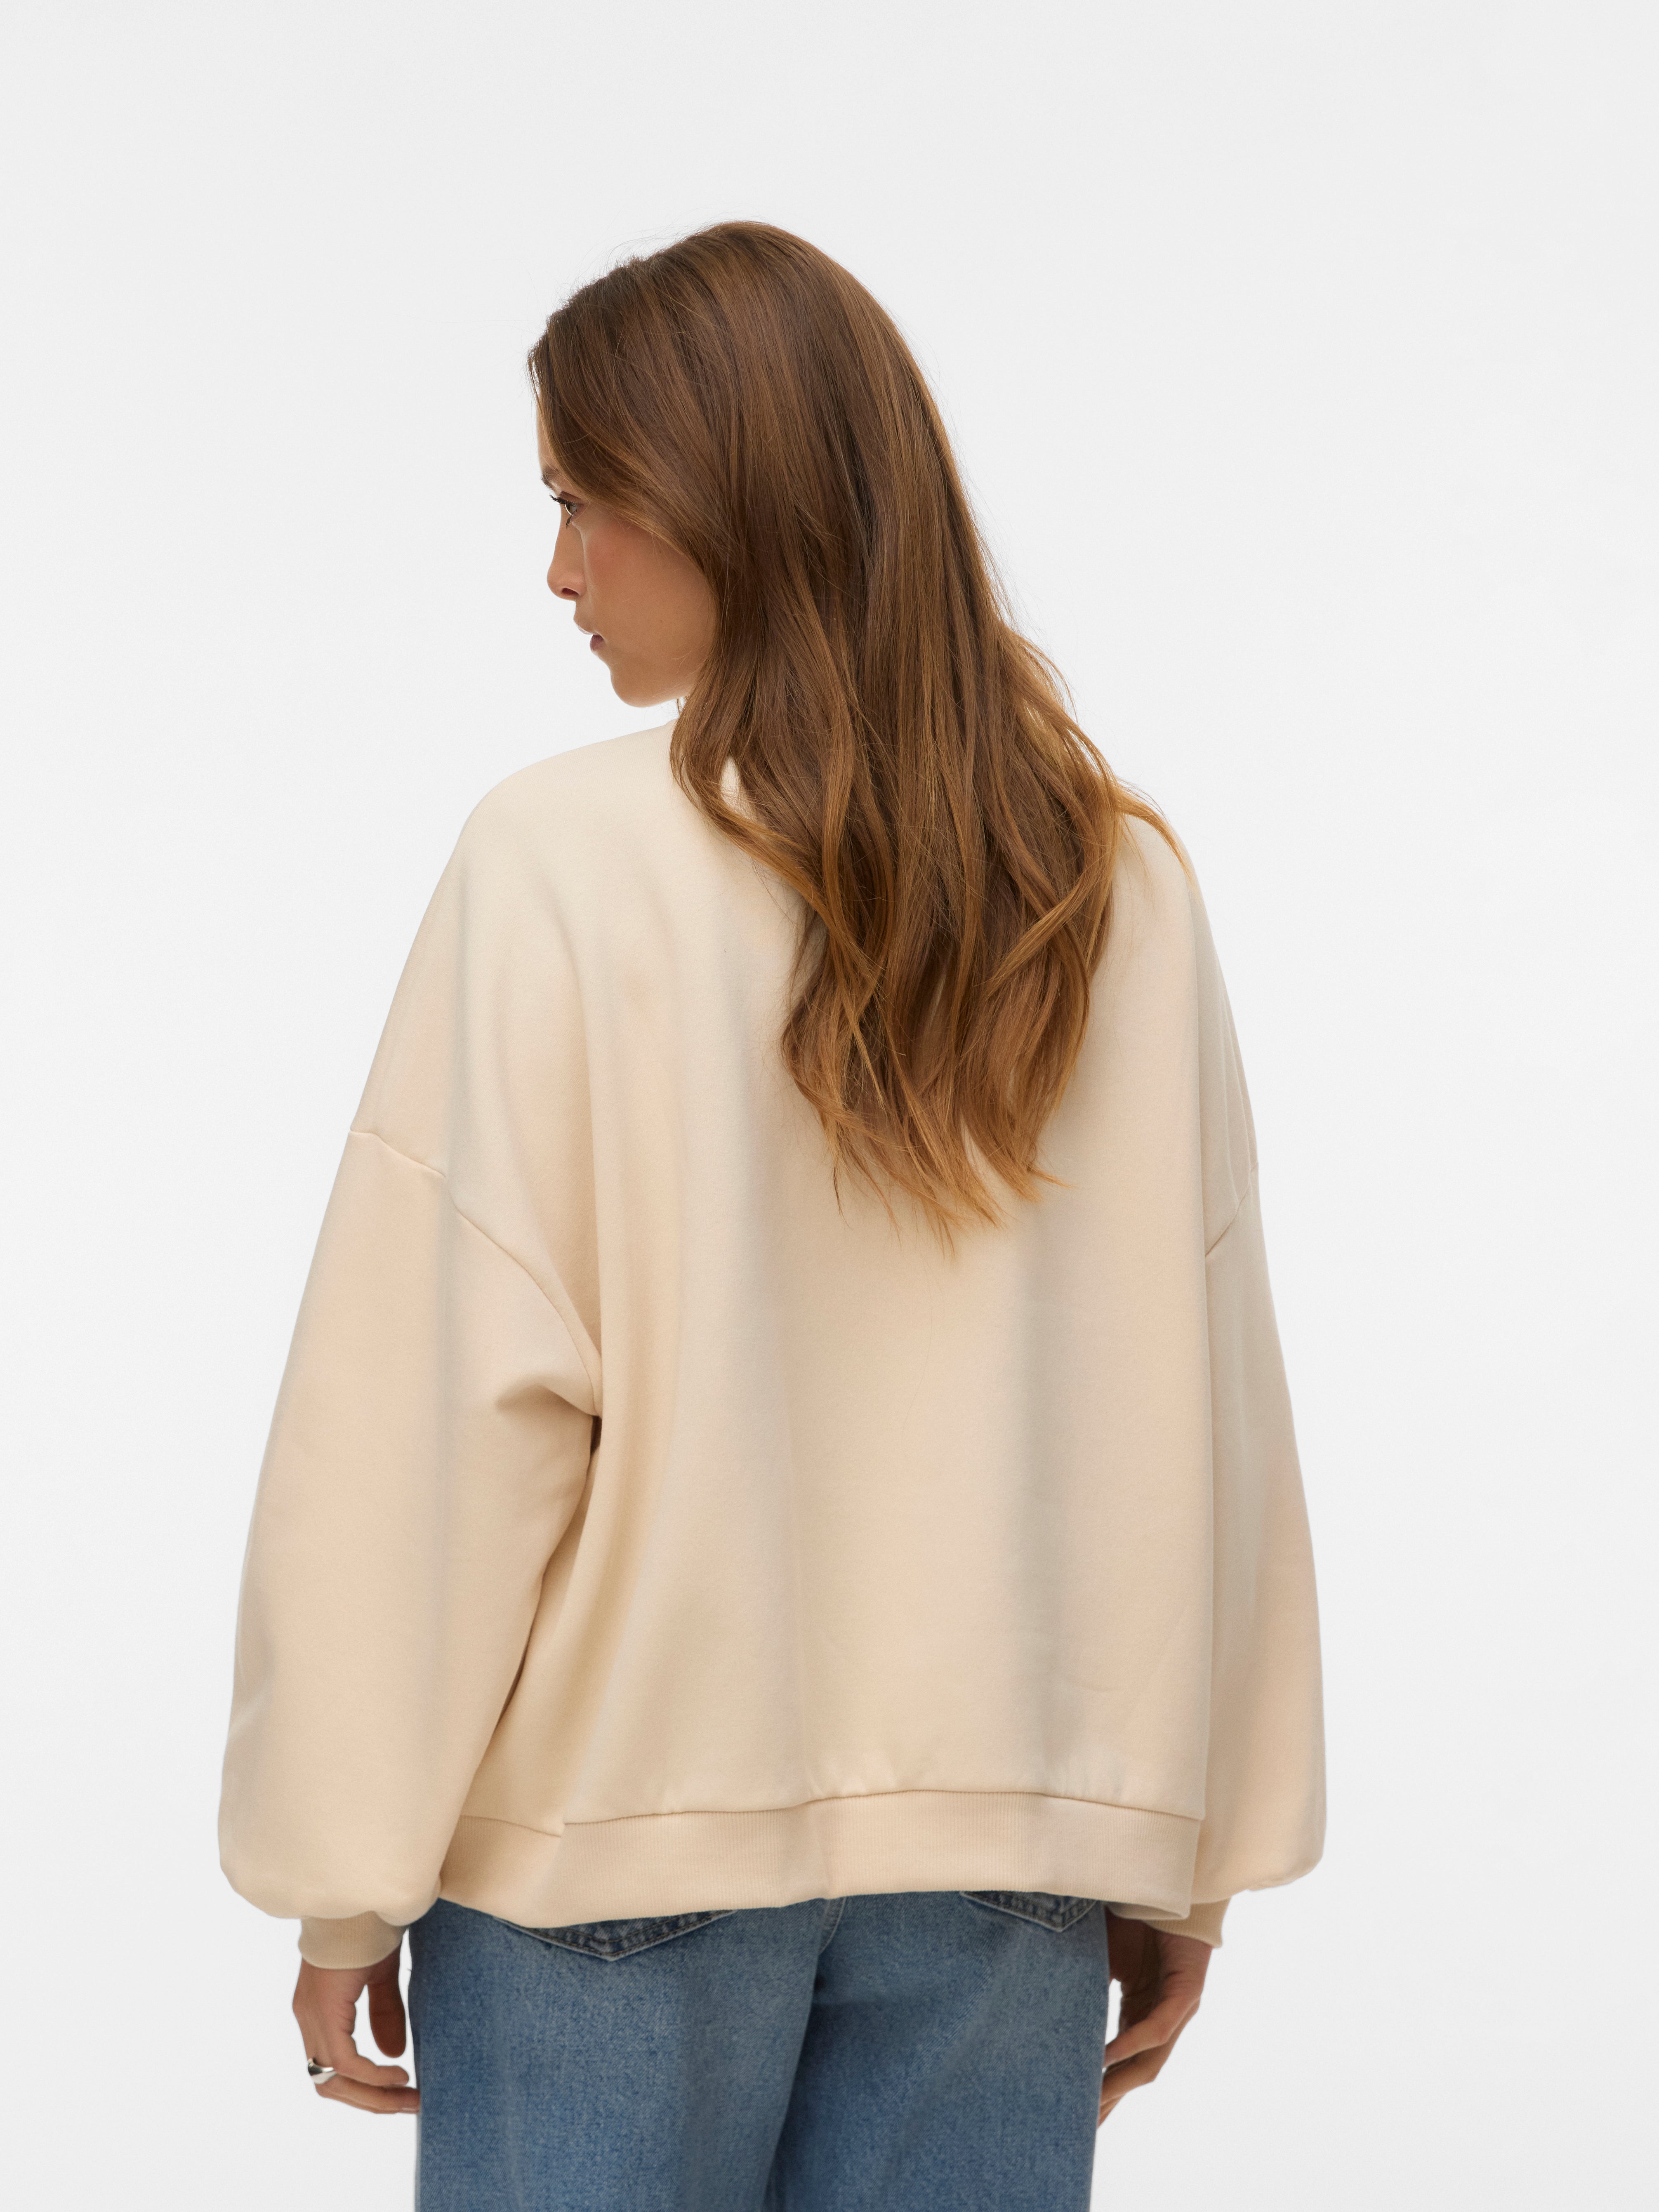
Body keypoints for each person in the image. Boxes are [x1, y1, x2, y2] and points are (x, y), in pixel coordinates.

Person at [218, 220, 1324, 2210]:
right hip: (1002, 1868)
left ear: (727, 502)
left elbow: (440, 1414)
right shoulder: (1109, 885)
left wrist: (340, 1879)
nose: (560, 571)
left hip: (611, 1858)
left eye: (585, 503)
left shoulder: (559, 863)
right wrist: (1185, 1853)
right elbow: (1199, 1398)